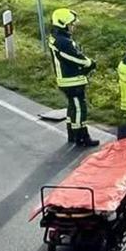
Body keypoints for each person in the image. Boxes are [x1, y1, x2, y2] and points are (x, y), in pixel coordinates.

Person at [48, 8, 98, 147]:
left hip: (66, 79)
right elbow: (74, 57)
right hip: (72, 81)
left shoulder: (56, 36)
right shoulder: (63, 41)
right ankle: (81, 137)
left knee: (72, 107)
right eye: (71, 24)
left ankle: (71, 133)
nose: (73, 26)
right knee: (79, 108)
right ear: (64, 24)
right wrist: (90, 63)